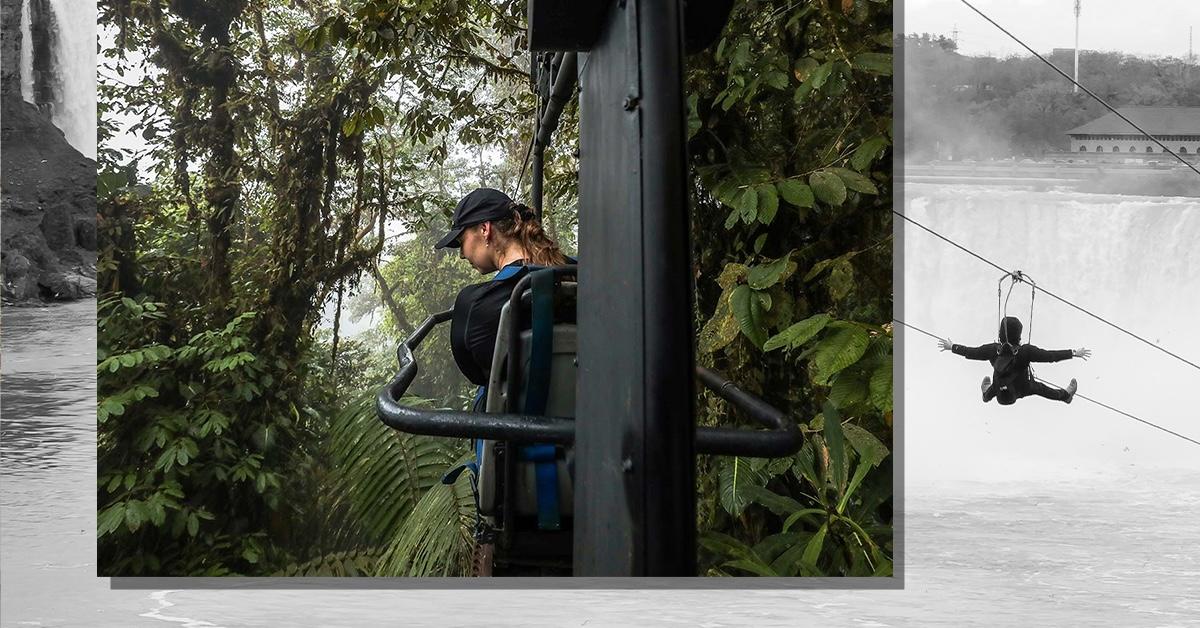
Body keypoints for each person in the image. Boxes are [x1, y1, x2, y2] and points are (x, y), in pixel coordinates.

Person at [434, 188, 569, 398]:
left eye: (461, 242)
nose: (461, 254)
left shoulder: (474, 304)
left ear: (485, 229)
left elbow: (478, 375)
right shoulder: (577, 273)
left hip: (517, 423)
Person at [938, 316, 1092, 405]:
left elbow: (971, 352)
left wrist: (952, 347)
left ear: (1000, 334)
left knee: (995, 386)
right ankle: (1066, 396)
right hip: (1022, 388)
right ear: (1018, 336)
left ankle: (986, 394)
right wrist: (1073, 353)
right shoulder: (1025, 351)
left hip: (1000, 394)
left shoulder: (994, 349)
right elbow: (1050, 356)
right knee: (1041, 388)